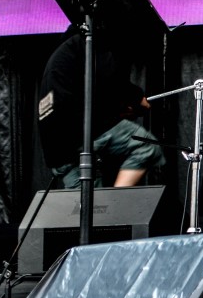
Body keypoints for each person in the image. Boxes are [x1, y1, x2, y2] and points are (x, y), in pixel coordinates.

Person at [38, 26, 164, 188]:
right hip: (78, 132)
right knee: (145, 146)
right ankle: (115, 199)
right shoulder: (91, 41)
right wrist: (136, 98)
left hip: (56, 148)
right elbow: (110, 80)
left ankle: (106, 202)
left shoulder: (64, 52)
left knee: (87, 201)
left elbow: (90, 93)